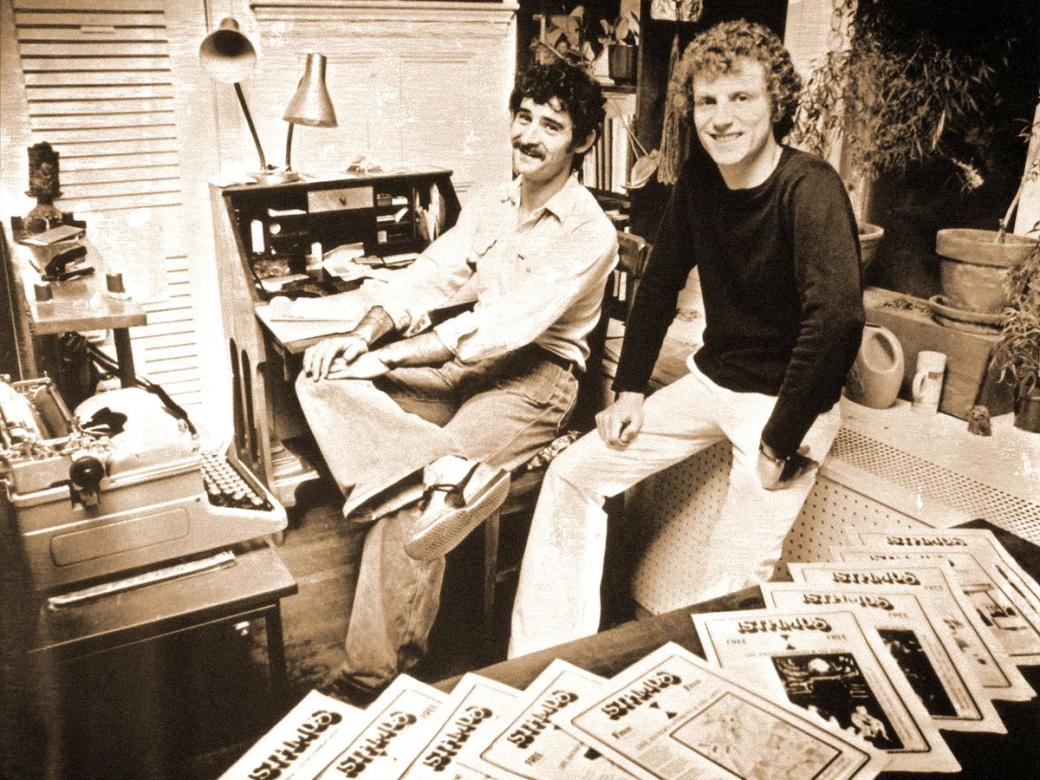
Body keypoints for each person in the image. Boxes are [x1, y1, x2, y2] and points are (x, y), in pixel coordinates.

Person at [509, 19, 865, 657]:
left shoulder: (809, 188)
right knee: (572, 472)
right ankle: (543, 659)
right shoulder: (700, 180)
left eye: (741, 98)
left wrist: (780, 442)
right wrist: (628, 390)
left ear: (775, 103)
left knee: (727, 591)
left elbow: (836, 321)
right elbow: (658, 285)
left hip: (787, 404)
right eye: (707, 102)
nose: (721, 118)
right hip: (712, 381)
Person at [295, 60, 617, 698]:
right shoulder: (495, 202)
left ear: (580, 142)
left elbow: (504, 328)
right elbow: (433, 273)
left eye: (550, 125)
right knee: (318, 377)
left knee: (408, 495)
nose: (528, 135)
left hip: (534, 381)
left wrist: (386, 358)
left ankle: (369, 679)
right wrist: (360, 336)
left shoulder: (589, 231)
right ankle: (442, 468)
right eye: (523, 117)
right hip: (464, 363)